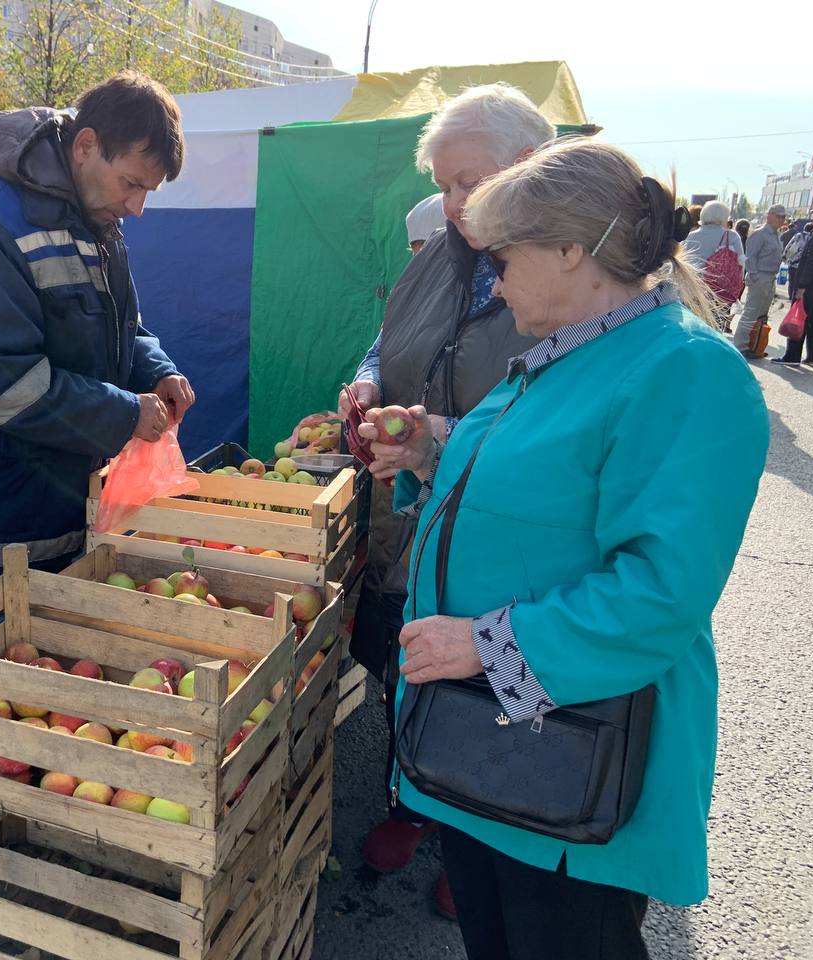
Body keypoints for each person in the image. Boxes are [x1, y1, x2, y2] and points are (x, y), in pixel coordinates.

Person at [365, 138, 768, 960]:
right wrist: (432, 449)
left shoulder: (685, 372)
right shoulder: (573, 351)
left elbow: (659, 592)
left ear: (570, 249)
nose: (493, 272)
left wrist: (480, 647)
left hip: (574, 767)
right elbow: (550, 486)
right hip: (497, 755)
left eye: (503, 253)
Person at [339, 83, 554, 917]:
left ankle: (490, 828)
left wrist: (440, 435)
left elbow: (558, 426)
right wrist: (366, 386)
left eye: (469, 180)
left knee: (500, 677)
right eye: (445, 183)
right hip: (418, 508)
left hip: (505, 525)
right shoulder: (445, 252)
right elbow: (385, 340)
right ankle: (416, 800)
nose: (454, 200)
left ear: (529, 167)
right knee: (409, 651)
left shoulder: (560, 278)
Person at [0, 71, 196, 631]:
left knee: (49, 704)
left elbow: (121, 327)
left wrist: (157, 371)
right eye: (131, 184)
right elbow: (4, 389)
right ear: (85, 146)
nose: (137, 208)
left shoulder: (93, 221)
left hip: (56, 512)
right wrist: (125, 412)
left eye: (147, 192)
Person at [774, 197, 813, 366]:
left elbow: (812, 261)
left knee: (799, 317)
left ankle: (792, 356)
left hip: (811, 284)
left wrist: (802, 285)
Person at [681, 199, 745, 330]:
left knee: (692, 327)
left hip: (693, 290)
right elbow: (741, 265)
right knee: (714, 329)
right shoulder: (731, 236)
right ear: (722, 217)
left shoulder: (690, 236)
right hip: (719, 292)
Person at [733, 204, 786, 356]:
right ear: (770, 215)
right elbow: (751, 258)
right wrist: (756, 277)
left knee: (762, 314)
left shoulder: (776, 234)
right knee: (751, 313)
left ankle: (755, 344)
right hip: (760, 277)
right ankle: (741, 346)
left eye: (783, 217)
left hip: (769, 278)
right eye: (779, 216)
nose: (782, 220)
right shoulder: (760, 234)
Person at [783, 221, 813, 303]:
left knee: (791, 280)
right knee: (799, 282)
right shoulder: (812, 237)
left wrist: (784, 256)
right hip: (803, 265)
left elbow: (790, 245)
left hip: (793, 262)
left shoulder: (798, 235)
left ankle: (791, 296)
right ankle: (798, 298)